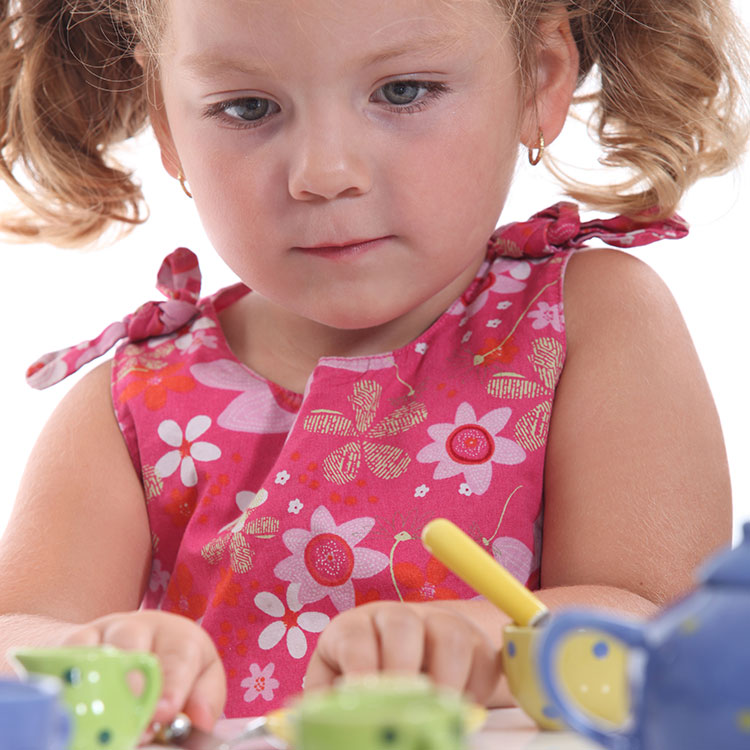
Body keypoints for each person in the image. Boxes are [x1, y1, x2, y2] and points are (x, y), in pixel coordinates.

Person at [0, 0, 747, 735]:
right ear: (166, 121)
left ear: (540, 78)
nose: (325, 173)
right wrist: (90, 651)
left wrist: (484, 645)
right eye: (248, 107)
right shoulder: (135, 404)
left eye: (403, 91)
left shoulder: (587, 322)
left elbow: (666, 629)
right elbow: (14, 632)